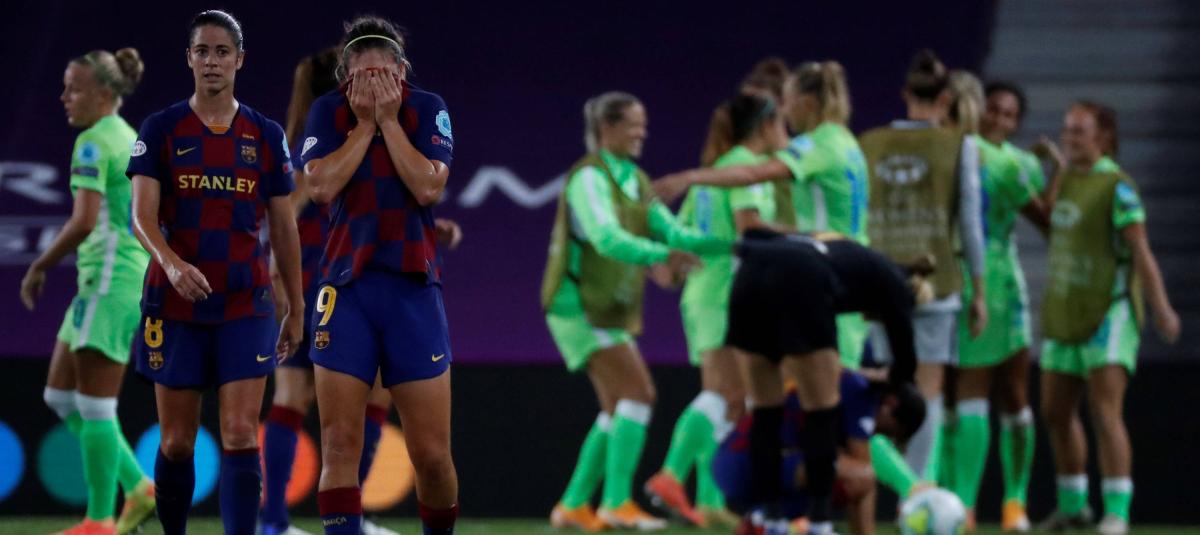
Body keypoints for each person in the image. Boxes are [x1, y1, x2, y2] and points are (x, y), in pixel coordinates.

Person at [261, 45, 459, 535]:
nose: (374, 83)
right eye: (360, 73)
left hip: (346, 271)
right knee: (319, 405)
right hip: (325, 274)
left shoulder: (336, 127)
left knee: (311, 400)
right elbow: (298, 201)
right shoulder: (326, 129)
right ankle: (277, 518)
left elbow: (396, 198)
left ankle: (285, 518)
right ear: (342, 81)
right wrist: (279, 274)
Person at [126, 10, 304, 535]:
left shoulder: (266, 134)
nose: (211, 61)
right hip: (175, 303)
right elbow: (141, 218)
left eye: (222, 51)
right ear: (188, 58)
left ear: (239, 60)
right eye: (202, 51)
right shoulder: (161, 128)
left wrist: (295, 305)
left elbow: (284, 227)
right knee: (177, 442)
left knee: (241, 434)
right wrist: (173, 264)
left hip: (245, 303)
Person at [542, 91, 730, 532]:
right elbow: (606, 238)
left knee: (616, 407)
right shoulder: (589, 178)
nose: (643, 132)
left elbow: (675, 232)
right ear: (607, 128)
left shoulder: (636, 178)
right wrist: (663, 255)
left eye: (643, 123)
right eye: (633, 124)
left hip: (606, 307)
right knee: (640, 393)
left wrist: (733, 245)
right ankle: (616, 502)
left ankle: (572, 505)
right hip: (577, 304)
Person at [19, 47, 156, 535]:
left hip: (112, 281)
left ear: (102, 93)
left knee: (95, 405)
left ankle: (99, 520)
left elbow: (82, 222)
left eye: (73, 89)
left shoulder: (95, 143)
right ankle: (138, 487)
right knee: (60, 394)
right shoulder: (127, 135)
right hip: (109, 281)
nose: (64, 97)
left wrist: (39, 265)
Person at [1036, 101, 1180, 535]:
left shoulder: (1118, 187)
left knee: (1104, 410)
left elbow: (1141, 252)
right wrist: (1054, 167)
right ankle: (1073, 506)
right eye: (1066, 129)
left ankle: (1117, 511)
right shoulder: (1066, 178)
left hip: (1108, 312)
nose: (1069, 136)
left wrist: (1161, 309)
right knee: (1055, 411)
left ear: (1103, 137)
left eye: (1079, 130)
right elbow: (1052, 223)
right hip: (1065, 309)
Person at [643, 93, 787, 528]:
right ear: (765, 126)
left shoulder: (713, 173)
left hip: (702, 294)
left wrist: (662, 267)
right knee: (727, 396)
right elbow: (750, 229)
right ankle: (671, 474)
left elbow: (679, 236)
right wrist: (810, 237)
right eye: (781, 123)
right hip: (727, 292)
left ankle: (709, 499)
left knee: (727, 402)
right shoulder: (744, 168)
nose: (786, 133)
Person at [724, 230, 922, 535]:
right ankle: (819, 522)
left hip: (749, 273)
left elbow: (757, 233)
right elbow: (906, 363)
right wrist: (888, 380)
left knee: (766, 411)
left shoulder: (847, 254)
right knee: (821, 411)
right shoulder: (894, 283)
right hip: (801, 277)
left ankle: (771, 519)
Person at [857, 50, 987, 484]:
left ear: (905, 94)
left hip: (880, 283)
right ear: (946, 98)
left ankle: (906, 490)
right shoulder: (959, 145)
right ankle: (920, 496)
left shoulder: (869, 143)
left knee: (890, 390)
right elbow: (970, 223)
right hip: (937, 282)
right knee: (927, 391)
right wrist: (979, 289)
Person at [946, 78, 1059, 533]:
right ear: (977, 107)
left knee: (1010, 391)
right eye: (993, 108)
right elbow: (1046, 219)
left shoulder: (1010, 162)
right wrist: (1051, 169)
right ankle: (961, 503)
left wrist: (1052, 171)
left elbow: (1045, 220)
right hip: (958, 277)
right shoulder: (965, 151)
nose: (998, 119)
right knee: (953, 392)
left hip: (998, 283)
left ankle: (1011, 503)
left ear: (1017, 124)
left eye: (1009, 115)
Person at [715, 370, 927, 535]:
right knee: (861, 477)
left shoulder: (844, 383)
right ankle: (781, 522)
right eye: (891, 431)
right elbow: (863, 476)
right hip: (748, 463)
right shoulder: (860, 396)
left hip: (734, 464)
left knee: (836, 476)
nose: (881, 435)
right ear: (890, 404)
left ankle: (761, 521)